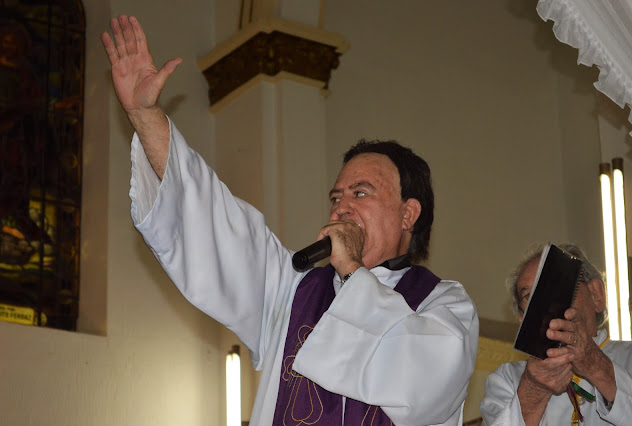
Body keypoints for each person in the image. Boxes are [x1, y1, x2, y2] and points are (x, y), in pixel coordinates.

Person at [102, 14, 479, 426]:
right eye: (336, 196)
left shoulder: (445, 306)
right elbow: (207, 214)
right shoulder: (292, 290)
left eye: (360, 193)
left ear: (408, 213)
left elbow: (426, 384)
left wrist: (352, 272)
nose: (341, 207)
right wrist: (145, 114)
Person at [480, 243, 632, 425]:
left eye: (556, 286)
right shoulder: (508, 379)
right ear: (523, 319)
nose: (544, 304)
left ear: (596, 295)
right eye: (529, 296)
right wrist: (533, 389)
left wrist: (597, 366)